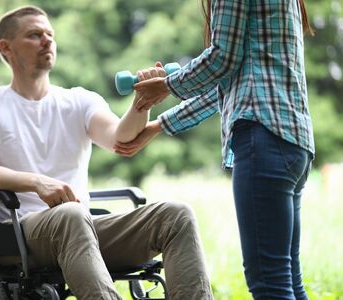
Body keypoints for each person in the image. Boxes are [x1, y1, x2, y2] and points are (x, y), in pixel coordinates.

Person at [0, 5, 213, 300]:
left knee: (176, 215)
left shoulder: (79, 100)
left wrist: (141, 104)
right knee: (71, 215)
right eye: (34, 35)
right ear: (6, 47)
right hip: (20, 234)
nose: (47, 41)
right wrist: (37, 182)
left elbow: (120, 138)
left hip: (81, 228)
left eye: (50, 34)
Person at [115, 0, 315, 299]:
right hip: (291, 140)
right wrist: (160, 125)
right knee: (286, 278)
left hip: (262, 135)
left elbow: (222, 58)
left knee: (269, 282)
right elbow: (228, 80)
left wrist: (167, 86)